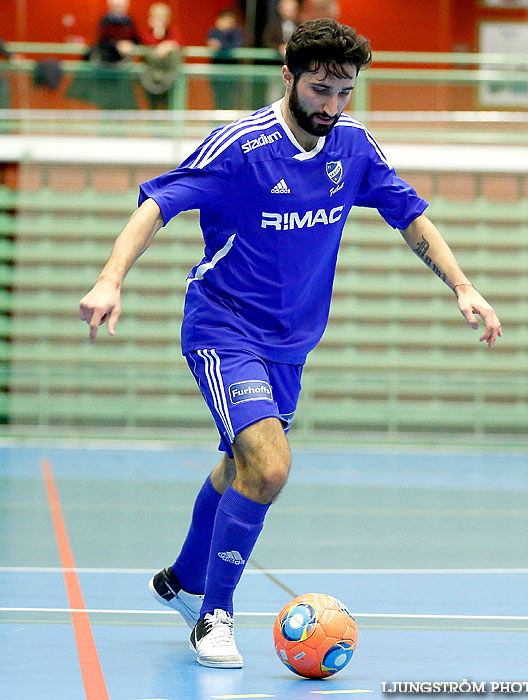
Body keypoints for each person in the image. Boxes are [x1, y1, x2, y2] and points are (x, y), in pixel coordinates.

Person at [79, 18, 502, 669]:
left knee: (238, 466)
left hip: (290, 344)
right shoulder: (242, 147)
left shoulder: (354, 148)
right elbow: (156, 205)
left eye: (344, 91)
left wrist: (463, 286)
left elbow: (409, 214)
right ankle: (213, 618)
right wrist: (110, 280)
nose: (332, 106)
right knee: (270, 467)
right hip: (224, 328)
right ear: (289, 76)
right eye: (320, 89)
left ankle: (180, 582)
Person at [140, 2, 182, 109]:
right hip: (150, 78)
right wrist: (158, 35)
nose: (160, 20)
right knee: (153, 107)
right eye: (157, 16)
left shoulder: (173, 31)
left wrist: (168, 44)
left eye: (163, 17)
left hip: (171, 78)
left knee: (171, 106)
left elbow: (178, 42)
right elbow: (146, 44)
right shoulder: (146, 33)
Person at [207, 8, 243, 110]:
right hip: (215, 71)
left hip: (231, 72)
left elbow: (236, 45)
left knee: (230, 99)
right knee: (217, 98)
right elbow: (212, 43)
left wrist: (221, 45)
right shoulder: (213, 32)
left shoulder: (236, 33)